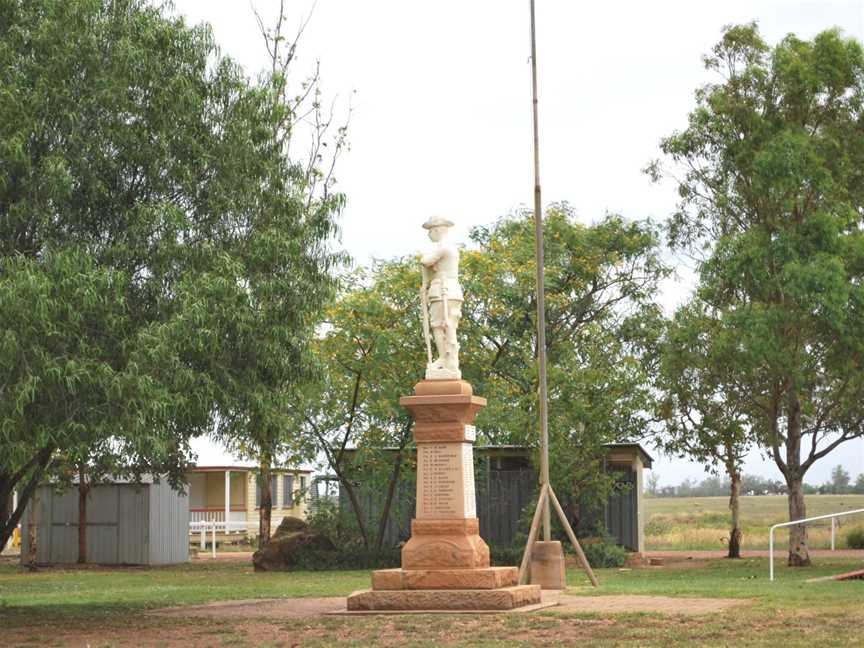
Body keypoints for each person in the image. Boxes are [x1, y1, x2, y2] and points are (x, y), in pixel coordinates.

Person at [420, 216, 462, 379]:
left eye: (430, 230)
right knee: (447, 325)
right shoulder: (449, 247)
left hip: (444, 291)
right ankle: (448, 360)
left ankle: (445, 359)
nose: (429, 234)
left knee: (440, 325)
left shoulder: (444, 247)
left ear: (437, 229)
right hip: (449, 290)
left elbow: (426, 261)